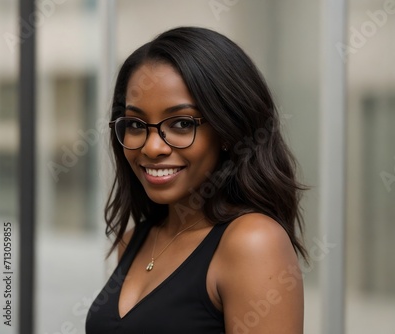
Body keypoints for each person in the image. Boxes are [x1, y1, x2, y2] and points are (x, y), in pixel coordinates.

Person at [86, 26, 306, 334]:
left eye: (180, 123)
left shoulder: (253, 242)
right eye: (136, 124)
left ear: (227, 130)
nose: (152, 147)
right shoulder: (134, 240)